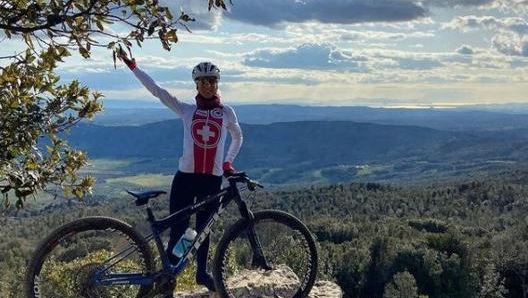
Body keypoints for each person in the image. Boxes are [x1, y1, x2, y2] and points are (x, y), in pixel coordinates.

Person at [117, 50, 243, 292]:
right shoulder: (187, 110)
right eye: (203, 81)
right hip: (185, 178)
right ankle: (169, 277)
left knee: (204, 229)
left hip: (212, 180)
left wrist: (228, 162)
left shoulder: (226, 112)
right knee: (179, 229)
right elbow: (157, 91)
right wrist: (134, 68)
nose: (208, 85)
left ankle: (202, 273)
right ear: (196, 84)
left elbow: (238, 138)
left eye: (212, 81)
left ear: (218, 84)